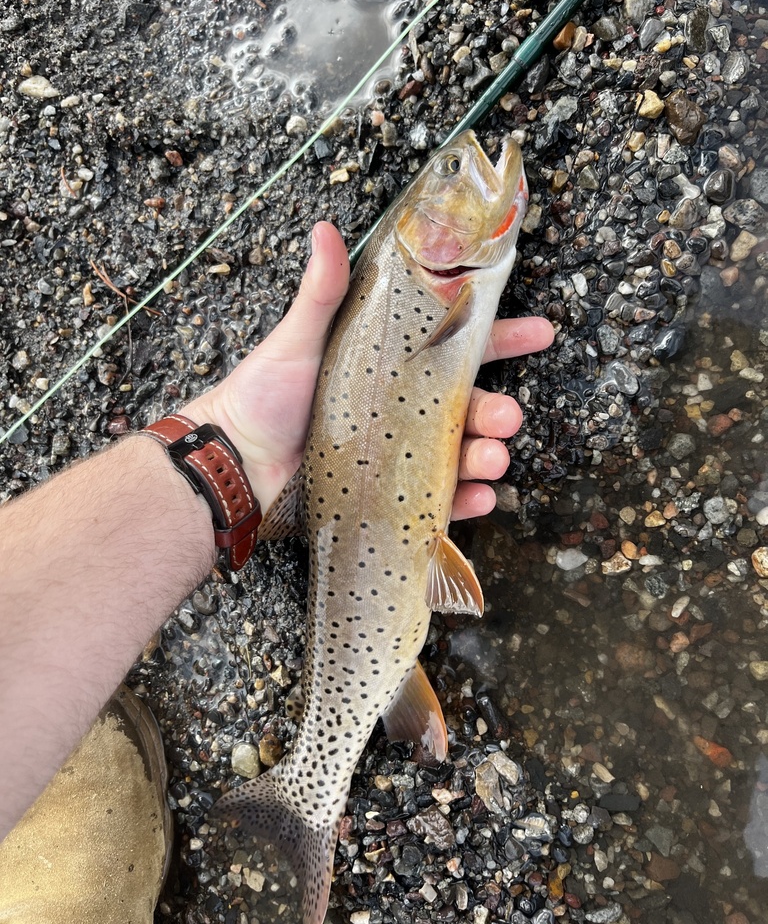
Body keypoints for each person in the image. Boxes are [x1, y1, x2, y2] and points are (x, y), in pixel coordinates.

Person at [0, 221, 554, 843]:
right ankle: (312, 793)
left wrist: (233, 445)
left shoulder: (429, 284)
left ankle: (323, 777)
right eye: (452, 172)